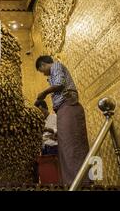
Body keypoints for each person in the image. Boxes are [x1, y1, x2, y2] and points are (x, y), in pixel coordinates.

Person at [35, 55, 90, 185]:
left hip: (68, 105)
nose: (43, 74)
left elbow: (60, 83)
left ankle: (80, 182)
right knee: (66, 148)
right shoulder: (52, 76)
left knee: (72, 147)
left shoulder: (56, 66)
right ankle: (71, 182)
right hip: (62, 109)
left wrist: (44, 93)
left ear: (43, 65)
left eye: (41, 70)